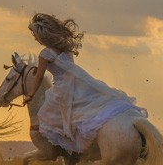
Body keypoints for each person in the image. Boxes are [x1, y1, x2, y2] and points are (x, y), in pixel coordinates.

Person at [23, 13, 147, 154]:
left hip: (61, 90)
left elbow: (39, 77)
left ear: (42, 35)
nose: (35, 38)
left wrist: (30, 95)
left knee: (46, 117)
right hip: (76, 86)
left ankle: (65, 149)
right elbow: (67, 69)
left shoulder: (45, 54)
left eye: (35, 35)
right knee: (84, 114)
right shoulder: (66, 49)